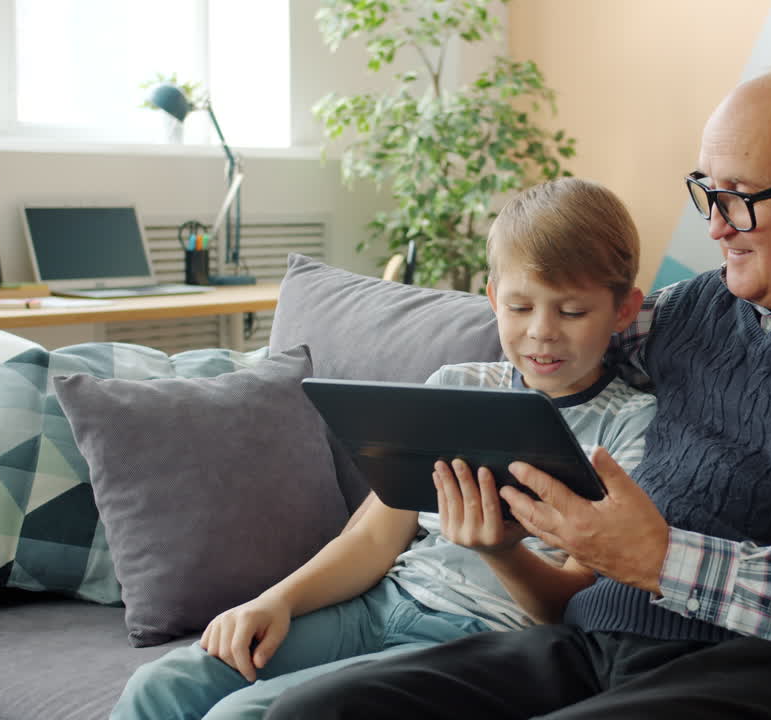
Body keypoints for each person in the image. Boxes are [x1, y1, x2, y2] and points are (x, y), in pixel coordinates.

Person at [262, 58, 771, 720]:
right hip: (593, 640)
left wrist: (664, 558)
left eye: (742, 197)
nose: (717, 225)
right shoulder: (692, 309)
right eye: (707, 191)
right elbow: (559, 328)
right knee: (313, 712)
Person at [110, 177, 656, 720]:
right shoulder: (455, 387)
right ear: (493, 300)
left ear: (624, 311)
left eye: (572, 312)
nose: (542, 332)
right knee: (161, 686)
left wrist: (501, 551)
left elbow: (573, 610)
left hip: (479, 642)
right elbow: (373, 537)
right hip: (381, 606)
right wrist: (275, 600)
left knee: (244, 714)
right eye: (519, 308)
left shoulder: (632, 428)